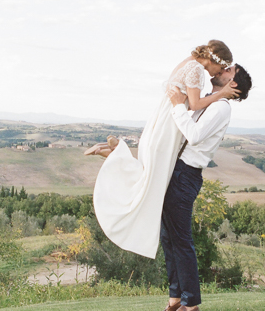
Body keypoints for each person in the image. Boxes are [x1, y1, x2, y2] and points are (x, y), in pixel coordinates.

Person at [89, 40, 237, 258]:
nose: (220, 72)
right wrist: (222, 94)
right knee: (152, 182)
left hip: (158, 125)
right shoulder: (197, 69)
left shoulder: (187, 62)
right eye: (222, 67)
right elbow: (195, 105)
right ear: (215, 60)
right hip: (169, 129)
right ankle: (117, 156)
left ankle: (117, 154)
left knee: (149, 176)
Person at [156, 63, 252, 311]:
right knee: (169, 238)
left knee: (181, 239)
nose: (221, 70)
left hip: (186, 174)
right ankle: (175, 299)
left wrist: (178, 105)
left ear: (234, 83)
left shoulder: (220, 107)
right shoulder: (212, 102)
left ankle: (191, 304)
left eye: (227, 70)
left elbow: (194, 134)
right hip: (178, 170)